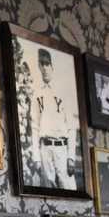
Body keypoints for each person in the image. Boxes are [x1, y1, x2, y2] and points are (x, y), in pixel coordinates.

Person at [32, 48, 78, 190]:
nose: (45, 68)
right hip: (45, 148)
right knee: (48, 190)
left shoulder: (63, 91)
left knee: (68, 187)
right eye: (42, 64)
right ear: (39, 66)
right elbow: (34, 126)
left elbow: (71, 127)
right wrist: (36, 157)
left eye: (47, 64)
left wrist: (71, 156)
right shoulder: (37, 93)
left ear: (52, 66)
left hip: (61, 147)